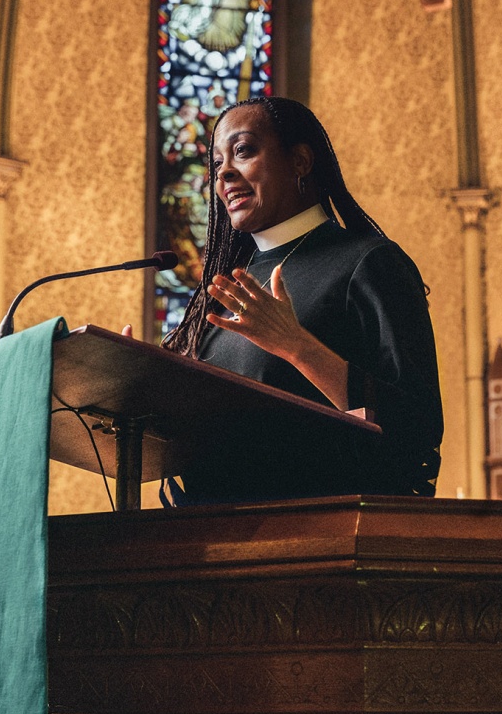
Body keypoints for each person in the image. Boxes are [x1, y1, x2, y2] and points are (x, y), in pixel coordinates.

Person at [160, 96, 443, 503]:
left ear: (300, 162)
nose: (224, 174)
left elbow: (417, 424)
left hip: (324, 538)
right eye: (217, 163)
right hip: (211, 542)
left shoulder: (370, 263)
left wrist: (296, 345)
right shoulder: (223, 288)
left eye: (242, 151)